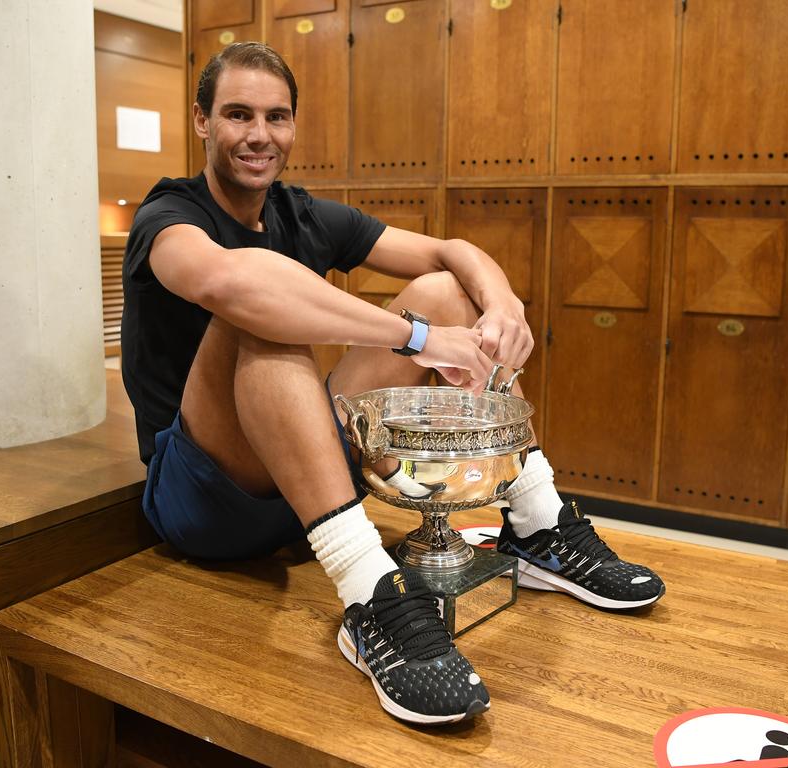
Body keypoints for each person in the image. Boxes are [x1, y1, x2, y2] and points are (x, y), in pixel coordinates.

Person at [121, 42, 664, 726]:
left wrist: (502, 306)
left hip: (302, 485)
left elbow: (449, 253)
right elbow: (226, 281)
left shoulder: (302, 213)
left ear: (293, 125)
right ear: (202, 121)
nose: (259, 135)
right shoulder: (166, 216)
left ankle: (537, 522)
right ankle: (369, 594)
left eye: (277, 117)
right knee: (261, 307)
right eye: (237, 115)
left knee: (443, 292)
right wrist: (417, 340)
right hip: (200, 497)